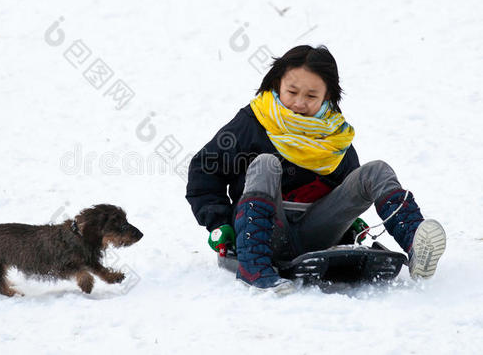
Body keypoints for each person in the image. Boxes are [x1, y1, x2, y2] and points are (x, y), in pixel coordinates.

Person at [185, 45, 446, 294]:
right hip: (261, 230)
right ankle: (254, 267)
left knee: (377, 170)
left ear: (327, 97)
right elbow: (204, 170)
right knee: (266, 163)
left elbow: (346, 185)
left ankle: (415, 244)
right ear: (277, 85)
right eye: (292, 91)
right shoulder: (253, 122)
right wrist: (218, 223)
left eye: (311, 96)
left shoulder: (333, 133)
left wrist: (351, 222)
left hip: (317, 230)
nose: (299, 103)